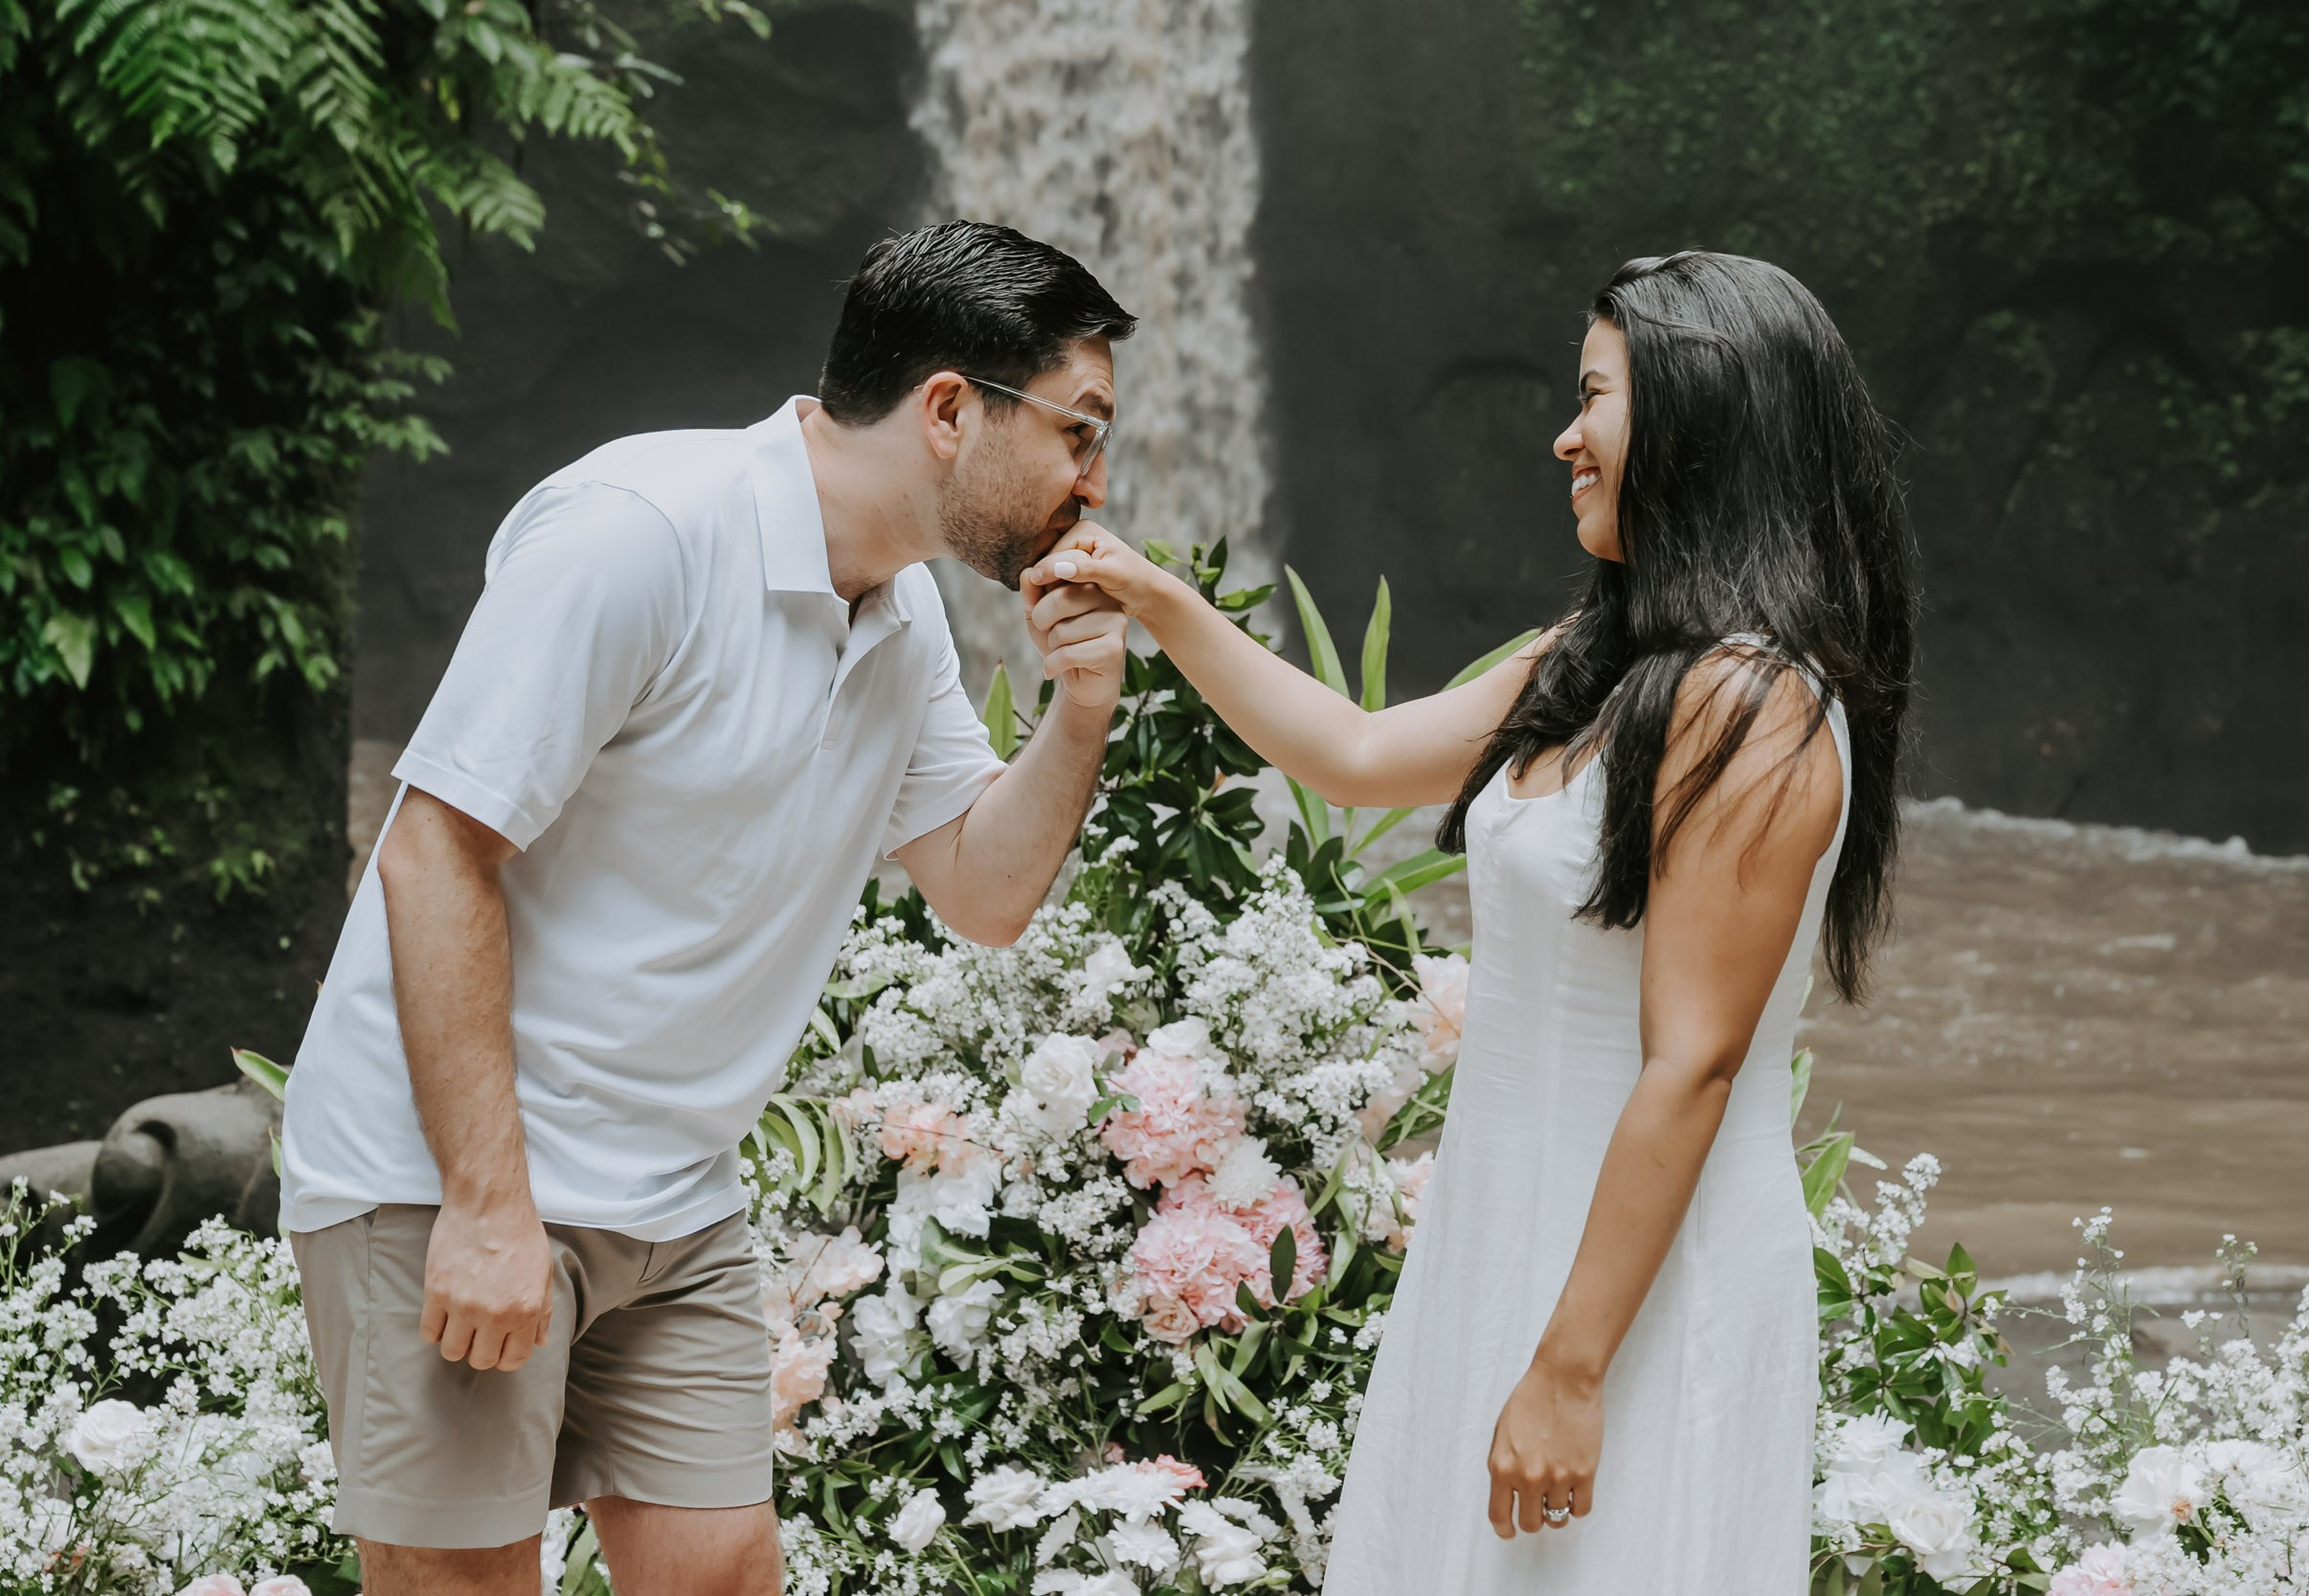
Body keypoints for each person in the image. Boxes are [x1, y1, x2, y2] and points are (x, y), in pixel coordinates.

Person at [1023, 250, 1918, 1591]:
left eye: (1596, 397)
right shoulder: (1598, 657)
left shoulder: (1753, 705)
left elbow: (1694, 1063)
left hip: (1636, 1281)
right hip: (1503, 1225)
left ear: (1698, 418)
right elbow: (1360, 751)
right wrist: (1157, 598)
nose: (1564, 435)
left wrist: (1570, 1368)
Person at [278, 219, 1137, 1596]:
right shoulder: (642, 534)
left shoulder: (904, 615)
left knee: (724, 1575)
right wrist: (490, 1205)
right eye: (1080, 434)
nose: (1095, 483)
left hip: (670, 1198)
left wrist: (1081, 707)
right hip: (446, 1169)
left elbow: (983, 888)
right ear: (948, 410)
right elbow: (436, 852)